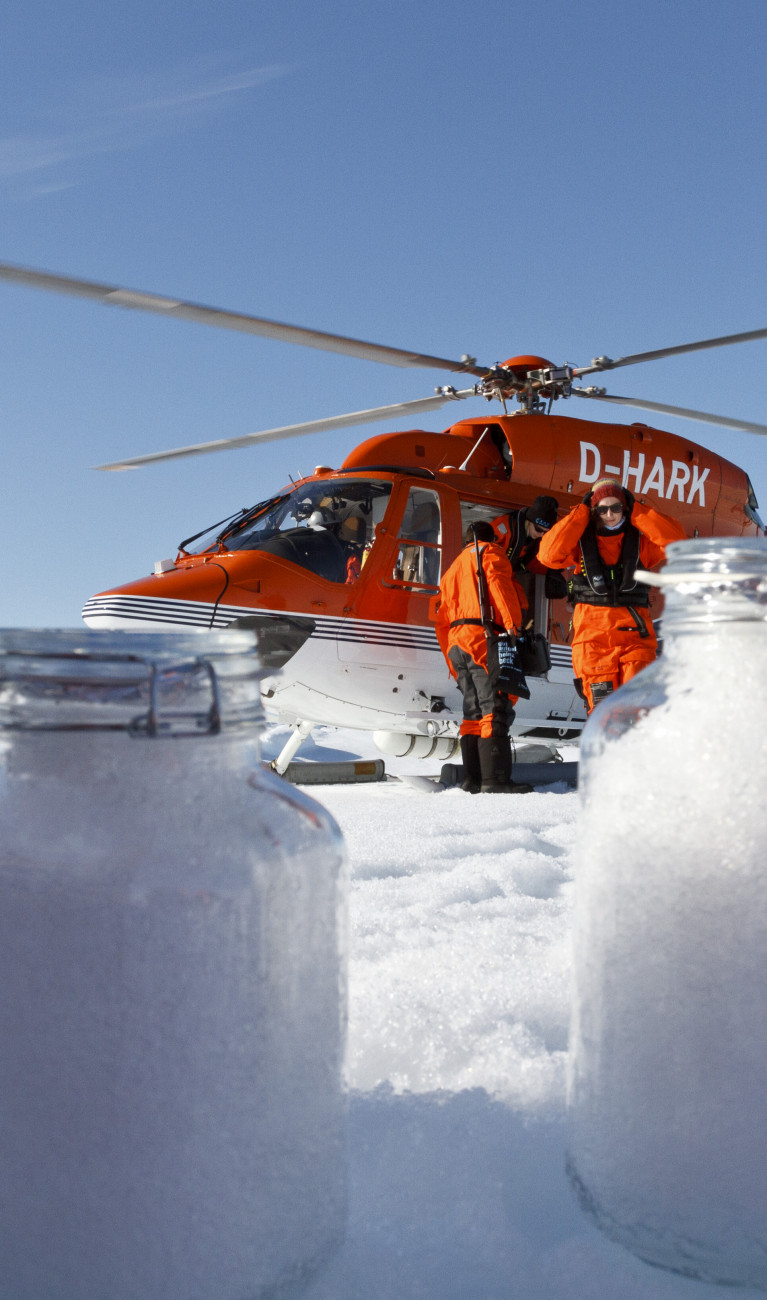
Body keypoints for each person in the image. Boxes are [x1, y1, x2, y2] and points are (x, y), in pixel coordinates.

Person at [537, 477, 686, 712]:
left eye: (616, 507)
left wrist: (637, 509)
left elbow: (677, 541)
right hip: (593, 644)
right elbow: (548, 555)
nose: (609, 514)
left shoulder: (642, 544)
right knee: (604, 718)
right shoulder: (579, 545)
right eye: (602, 508)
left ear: (624, 508)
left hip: (635, 642)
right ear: (594, 509)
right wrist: (581, 512)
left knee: (638, 713)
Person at [435, 521, 531, 794]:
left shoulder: (451, 570)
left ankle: (472, 779)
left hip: (456, 643)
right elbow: (500, 586)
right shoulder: (490, 552)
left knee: (472, 712)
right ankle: (495, 780)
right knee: (494, 708)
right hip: (482, 637)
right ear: (492, 540)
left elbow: (441, 621)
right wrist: (513, 628)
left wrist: (450, 657)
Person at [492, 495, 567, 609]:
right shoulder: (504, 527)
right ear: (529, 521)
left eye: (545, 532)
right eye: (539, 529)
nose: (541, 534)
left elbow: (534, 563)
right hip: (491, 577)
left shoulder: (533, 542)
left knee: (521, 604)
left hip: (506, 579)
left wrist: (552, 570)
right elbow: (482, 552)